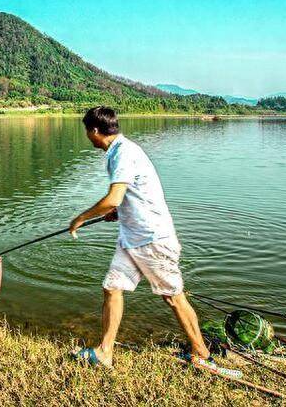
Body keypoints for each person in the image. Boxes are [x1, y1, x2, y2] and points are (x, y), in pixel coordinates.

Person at [68, 106, 240, 377]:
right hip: (132, 238)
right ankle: (104, 352)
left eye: (87, 132)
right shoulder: (121, 150)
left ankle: (202, 354)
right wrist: (120, 212)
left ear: (94, 131)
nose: (88, 137)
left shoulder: (122, 152)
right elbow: (127, 196)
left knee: (173, 298)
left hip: (152, 239)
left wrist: (80, 218)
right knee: (112, 288)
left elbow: (114, 196)